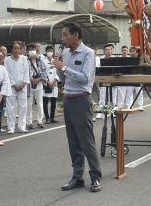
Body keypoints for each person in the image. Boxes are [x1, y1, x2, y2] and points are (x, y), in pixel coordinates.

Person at [52, 23, 102, 192]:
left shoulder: (88, 53)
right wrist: (58, 66)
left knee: (86, 141)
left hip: (81, 100)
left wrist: (64, 67)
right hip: (68, 99)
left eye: (65, 35)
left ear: (76, 35)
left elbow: (85, 79)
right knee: (73, 141)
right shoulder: (65, 52)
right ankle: (77, 176)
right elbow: (62, 78)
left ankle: (95, 176)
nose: (62, 38)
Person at [4, 41, 30, 134]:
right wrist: (14, 85)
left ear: (20, 49)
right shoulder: (7, 60)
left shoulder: (24, 59)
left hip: (22, 86)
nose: (16, 50)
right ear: (12, 49)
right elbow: (7, 74)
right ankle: (11, 127)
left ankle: (21, 126)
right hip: (11, 87)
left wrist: (23, 84)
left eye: (18, 48)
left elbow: (26, 72)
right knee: (10, 107)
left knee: (23, 106)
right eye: (15, 48)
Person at [26, 44, 46, 129]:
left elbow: (44, 71)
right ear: (27, 51)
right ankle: (29, 122)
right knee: (29, 104)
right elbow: (24, 72)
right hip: (29, 85)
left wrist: (39, 79)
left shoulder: (40, 60)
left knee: (39, 103)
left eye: (33, 49)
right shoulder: (25, 61)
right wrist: (30, 79)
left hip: (39, 84)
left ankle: (40, 121)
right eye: (30, 49)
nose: (32, 51)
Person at [42, 46, 59, 124]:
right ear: (46, 52)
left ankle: (52, 118)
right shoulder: (42, 61)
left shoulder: (56, 61)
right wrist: (48, 81)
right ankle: (47, 118)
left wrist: (55, 80)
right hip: (46, 83)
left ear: (53, 52)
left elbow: (58, 72)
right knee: (45, 101)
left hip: (54, 83)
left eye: (51, 51)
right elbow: (42, 72)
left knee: (53, 102)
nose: (50, 52)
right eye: (48, 51)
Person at [126, 46, 144, 111]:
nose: (133, 53)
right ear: (130, 52)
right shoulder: (128, 60)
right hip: (130, 77)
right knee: (129, 93)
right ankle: (129, 105)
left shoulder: (140, 59)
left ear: (136, 52)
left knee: (139, 92)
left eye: (134, 51)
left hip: (138, 77)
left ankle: (140, 105)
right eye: (131, 51)